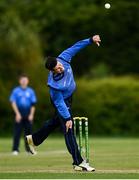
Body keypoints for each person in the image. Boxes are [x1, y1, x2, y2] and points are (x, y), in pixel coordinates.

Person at [26, 35, 101, 171]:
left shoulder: (63, 57)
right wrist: (67, 118)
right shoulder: (53, 85)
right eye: (57, 69)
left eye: (59, 66)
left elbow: (76, 46)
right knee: (68, 128)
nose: (60, 68)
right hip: (62, 102)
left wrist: (90, 40)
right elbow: (59, 103)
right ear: (51, 70)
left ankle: (34, 139)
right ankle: (78, 162)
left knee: (55, 122)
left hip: (69, 97)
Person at [10, 74, 37, 155]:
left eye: (25, 80)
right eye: (22, 80)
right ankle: (15, 149)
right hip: (19, 113)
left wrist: (31, 115)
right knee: (17, 132)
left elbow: (33, 104)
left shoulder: (30, 91)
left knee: (28, 133)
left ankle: (29, 150)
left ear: (27, 81)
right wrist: (17, 114)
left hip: (28, 113)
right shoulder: (16, 91)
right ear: (20, 81)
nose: (24, 81)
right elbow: (13, 102)